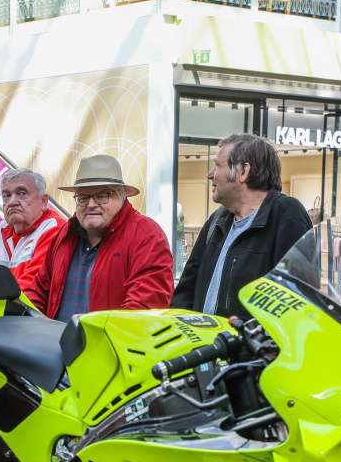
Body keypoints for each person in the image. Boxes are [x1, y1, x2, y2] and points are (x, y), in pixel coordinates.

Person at [171, 134, 311, 318]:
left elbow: (297, 301)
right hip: (204, 345)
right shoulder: (217, 220)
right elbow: (186, 291)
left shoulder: (287, 215)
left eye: (218, 166)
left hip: (250, 347)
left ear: (243, 171)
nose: (210, 174)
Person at [25, 154, 172, 322]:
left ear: (123, 196)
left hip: (113, 347)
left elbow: (143, 309)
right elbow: (38, 292)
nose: (91, 204)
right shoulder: (64, 235)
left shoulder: (146, 235)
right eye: (83, 197)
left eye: (102, 196)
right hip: (55, 346)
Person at [0, 168, 65, 289]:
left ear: (43, 201)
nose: (12, 202)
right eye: (6, 195)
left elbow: (31, 289)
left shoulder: (54, 229)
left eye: (22, 194)